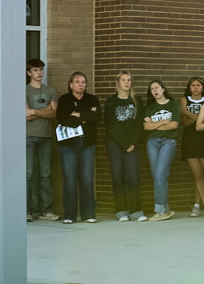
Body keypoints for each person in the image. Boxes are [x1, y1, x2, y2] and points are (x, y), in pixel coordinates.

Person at [55, 71, 101, 223]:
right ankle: (69, 215)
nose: (80, 84)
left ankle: (89, 214)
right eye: (77, 81)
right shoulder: (64, 100)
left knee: (87, 179)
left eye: (83, 82)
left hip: (87, 143)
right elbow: (62, 119)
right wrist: (84, 117)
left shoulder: (91, 99)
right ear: (70, 85)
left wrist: (76, 115)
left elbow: (96, 117)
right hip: (68, 144)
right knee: (69, 180)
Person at [105, 71, 146, 222]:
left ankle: (136, 210)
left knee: (132, 177)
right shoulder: (111, 101)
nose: (127, 82)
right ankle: (121, 211)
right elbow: (112, 125)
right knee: (117, 176)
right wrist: (125, 143)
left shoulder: (137, 100)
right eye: (123, 80)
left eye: (129, 80)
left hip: (132, 143)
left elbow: (139, 122)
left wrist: (132, 142)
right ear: (118, 82)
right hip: (115, 143)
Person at [141, 79, 183, 221]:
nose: (155, 91)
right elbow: (146, 128)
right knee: (158, 176)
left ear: (163, 89)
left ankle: (160, 210)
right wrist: (164, 121)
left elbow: (174, 126)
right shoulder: (149, 107)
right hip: (152, 142)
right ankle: (165, 208)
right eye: (152, 89)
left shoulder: (173, 105)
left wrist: (154, 124)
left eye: (157, 88)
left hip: (168, 142)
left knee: (159, 175)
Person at [24, 59, 57, 221]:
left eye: (41, 70)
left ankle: (46, 211)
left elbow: (54, 114)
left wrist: (34, 111)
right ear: (29, 73)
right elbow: (24, 116)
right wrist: (45, 110)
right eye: (36, 70)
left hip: (47, 136)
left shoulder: (50, 90)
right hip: (28, 136)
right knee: (28, 174)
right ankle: (27, 211)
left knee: (46, 175)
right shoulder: (24, 91)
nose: (39, 73)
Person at [180, 77, 204, 217]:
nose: (195, 88)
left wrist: (188, 113)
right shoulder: (184, 99)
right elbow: (185, 123)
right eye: (193, 85)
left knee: (201, 175)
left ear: (202, 87)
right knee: (197, 174)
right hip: (190, 140)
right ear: (189, 87)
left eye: (198, 85)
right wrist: (200, 116)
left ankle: (196, 204)